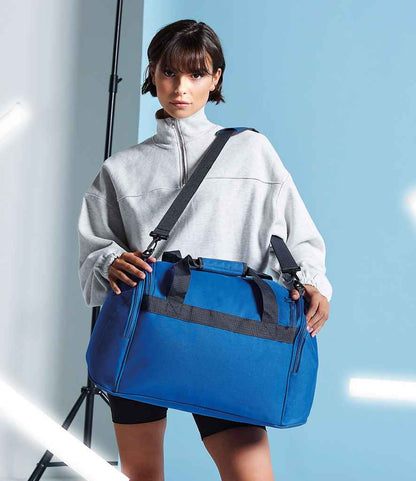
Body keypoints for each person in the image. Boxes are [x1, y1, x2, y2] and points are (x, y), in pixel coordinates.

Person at [78, 19, 332, 481]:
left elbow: (298, 233)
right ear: (152, 74)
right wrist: (110, 262)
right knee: (142, 474)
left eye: (196, 74)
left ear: (215, 78)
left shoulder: (252, 151)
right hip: (146, 327)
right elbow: (96, 244)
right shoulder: (121, 169)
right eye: (169, 72)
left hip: (227, 330)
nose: (181, 87)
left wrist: (313, 283)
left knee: (250, 475)